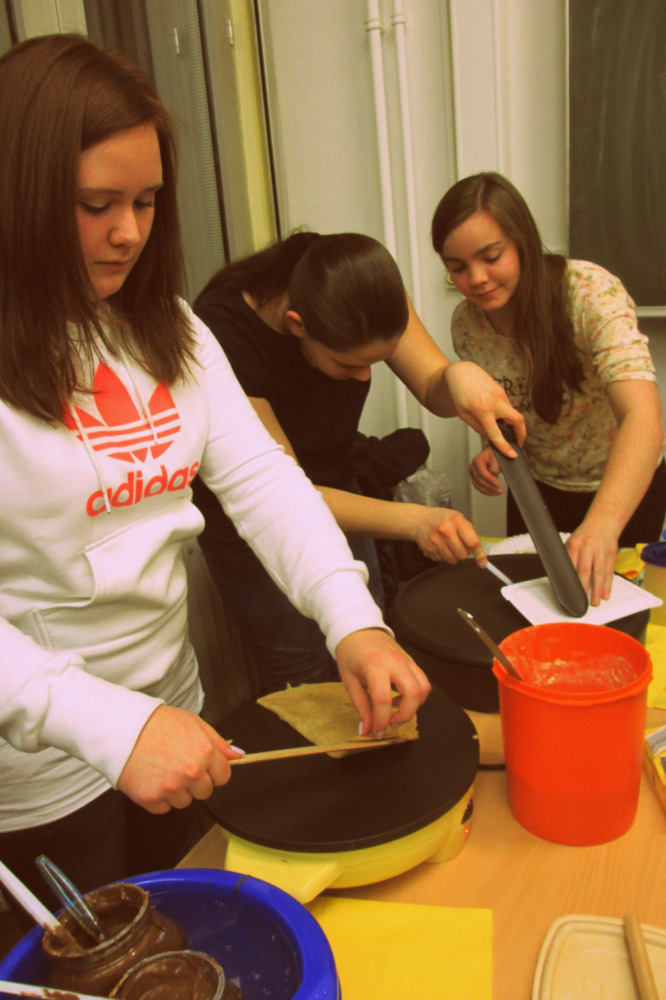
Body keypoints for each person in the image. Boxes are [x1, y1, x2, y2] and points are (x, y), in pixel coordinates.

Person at [0, 34, 433, 909]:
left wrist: (354, 620)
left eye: (146, 201)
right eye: (95, 205)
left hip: (178, 720)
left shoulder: (167, 327)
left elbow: (267, 484)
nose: (129, 232)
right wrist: (109, 724)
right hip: (42, 770)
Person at [193, 232, 527, 691]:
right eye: (348, 365)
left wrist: (458, 375)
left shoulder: (361, 285)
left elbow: (432, 384)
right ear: (297, 325)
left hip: (341, 494)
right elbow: (281, 492)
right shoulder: (223, 335)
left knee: (373, 649)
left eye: (378, 361)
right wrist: (416, 521)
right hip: (252, 530)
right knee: (308, 678)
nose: (363, 377)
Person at [431, 171, 666, 606]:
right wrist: (493, 446)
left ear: (523, 241)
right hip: (535, 493)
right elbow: (501, 405)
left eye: (491, 256)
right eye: (457, 267)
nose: (476, 278)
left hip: (621, 490)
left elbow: (643, 416)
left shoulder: (589, 293)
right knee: (538, 610)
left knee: (615, 612)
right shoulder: (467, 324)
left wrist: (603, 524)